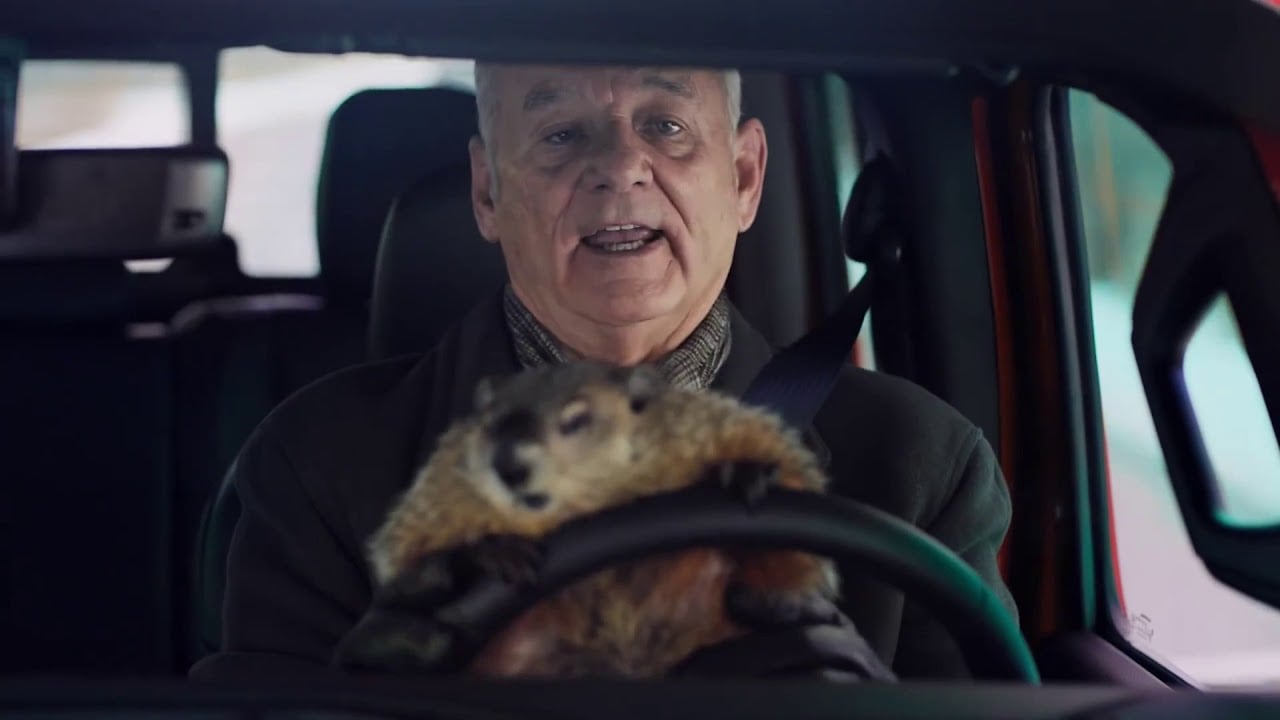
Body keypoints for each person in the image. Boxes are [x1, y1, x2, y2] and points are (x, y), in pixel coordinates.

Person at [188, 63, 1016, 683]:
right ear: (486, 191)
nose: (619, 168)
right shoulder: (316, 462)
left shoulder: (920, 463)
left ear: (743, 177)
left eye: (666, 126)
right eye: (559, 134)